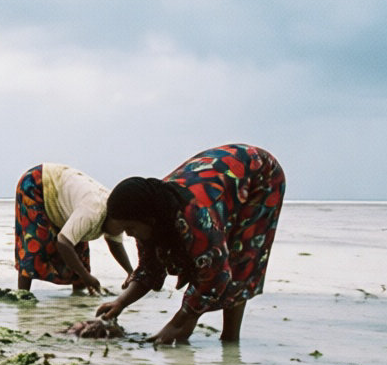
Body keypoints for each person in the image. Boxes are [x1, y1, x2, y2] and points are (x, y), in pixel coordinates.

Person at [95, 144, 285, 344]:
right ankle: (185, 334)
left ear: (148, 219)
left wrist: (177, 322)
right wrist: (120, 302)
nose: (129, 234)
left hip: (260, 175)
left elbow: (216, 274)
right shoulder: (152, 211)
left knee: (238, 258)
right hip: (216, 177)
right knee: (202, 260)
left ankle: (230, 340)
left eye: (130, 228)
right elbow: (149, 269)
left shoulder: (196, 216)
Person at [14, 163, 134, 295]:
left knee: (80, 254)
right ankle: (22, 294)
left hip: (63, 199)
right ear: (112, 217)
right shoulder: (93, 210)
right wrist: (86, 276)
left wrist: (130, 272)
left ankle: (78, 299)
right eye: (123, 228)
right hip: (37, 183)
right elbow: (63, 243)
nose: (125, 232)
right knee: (35, 241)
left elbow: (115, 244)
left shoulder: (117, 211)